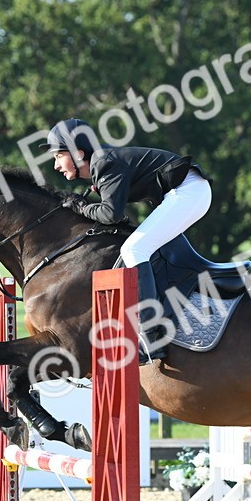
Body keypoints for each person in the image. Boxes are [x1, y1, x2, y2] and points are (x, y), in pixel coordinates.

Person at [42, 117, 212, 364]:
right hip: (186, 192)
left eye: (59, 156)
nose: (56, 165)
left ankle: (150, 336)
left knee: (134, 249)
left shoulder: (104, 163)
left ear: (78, 153)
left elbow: (111, 214)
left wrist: (80, 206)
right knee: (141, 248)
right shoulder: (103, 164)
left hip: (187, 192)